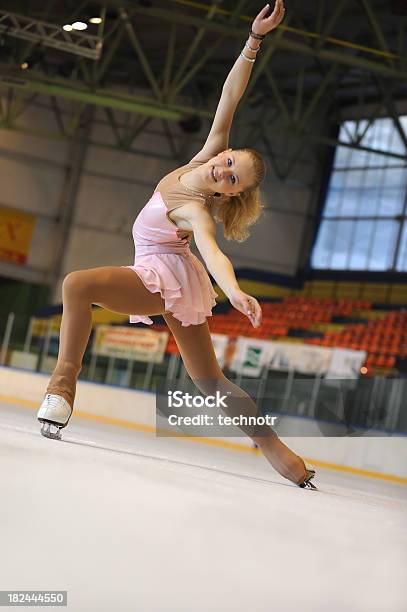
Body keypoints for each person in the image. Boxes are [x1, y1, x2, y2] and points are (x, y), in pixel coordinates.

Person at [37, 1, 317, 490]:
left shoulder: (195, 207)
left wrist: (234, 290)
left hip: (161, 276)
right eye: (230, 162)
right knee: (209, 382)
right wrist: (255, 40)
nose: (224, 170)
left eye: (232, 179)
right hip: (171, 274)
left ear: (229, 193)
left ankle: (62, 388)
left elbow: (212, 251)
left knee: (76, 284)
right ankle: (282, 455)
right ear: (223, 152)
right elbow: (230, 98)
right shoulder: (204, 156)